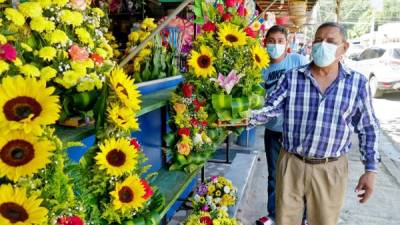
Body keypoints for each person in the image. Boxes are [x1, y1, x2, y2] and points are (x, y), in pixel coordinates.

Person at [251, 22, 380, 225]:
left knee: (324, 221)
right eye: (319, 40)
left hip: (330, 169)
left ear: (344, 48)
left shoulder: (357, 83)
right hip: (291, 163)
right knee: (284, 219)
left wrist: (370, 170)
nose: (322, 46)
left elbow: (368, 128)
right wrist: (242, 117)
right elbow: (271, 108)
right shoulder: (292, 77)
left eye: (330, 41)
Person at [256, 25, 308, 225]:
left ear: (287, 44)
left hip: (298, 131)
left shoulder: (298, 61)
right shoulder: (260, 67)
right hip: (273, 130)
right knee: (274, 176)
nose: (275, 45)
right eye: (271, 41)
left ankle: (302, 217)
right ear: (264, 42)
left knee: (300, 176)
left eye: (280, 41)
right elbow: (256, 98)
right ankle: (274, 215)